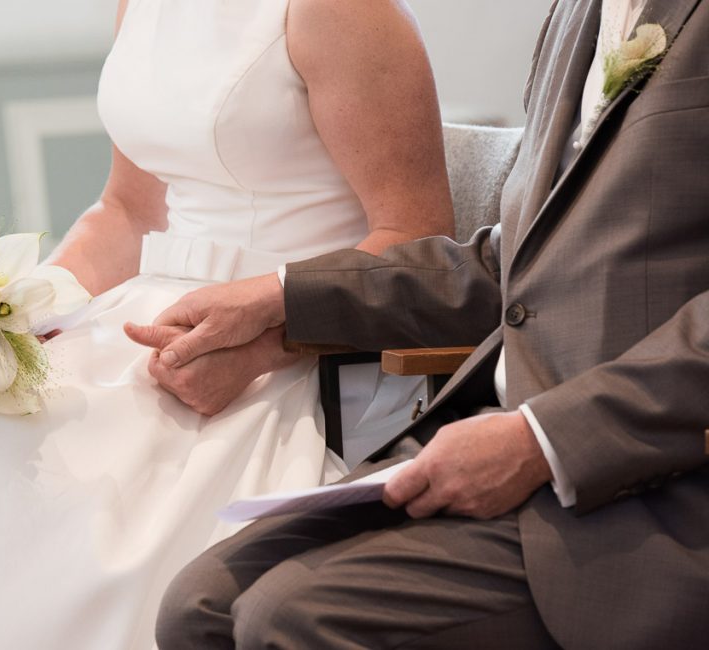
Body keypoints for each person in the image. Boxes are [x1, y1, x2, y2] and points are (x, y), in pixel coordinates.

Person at [0, 1, 455, 648]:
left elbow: (418, 241)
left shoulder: (339, 8)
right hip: (143, 308)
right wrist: (26, 307)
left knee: (41, 476)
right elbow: (128, 211)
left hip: (277, 335)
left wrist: (269, 325)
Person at [147, 0, 709, 647]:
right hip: (489, 437)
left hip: (646, 484)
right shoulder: (576, 14)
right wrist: (282, 301)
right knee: (199, 605)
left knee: (295, 616)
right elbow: (515, 262)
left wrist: (540, 439)